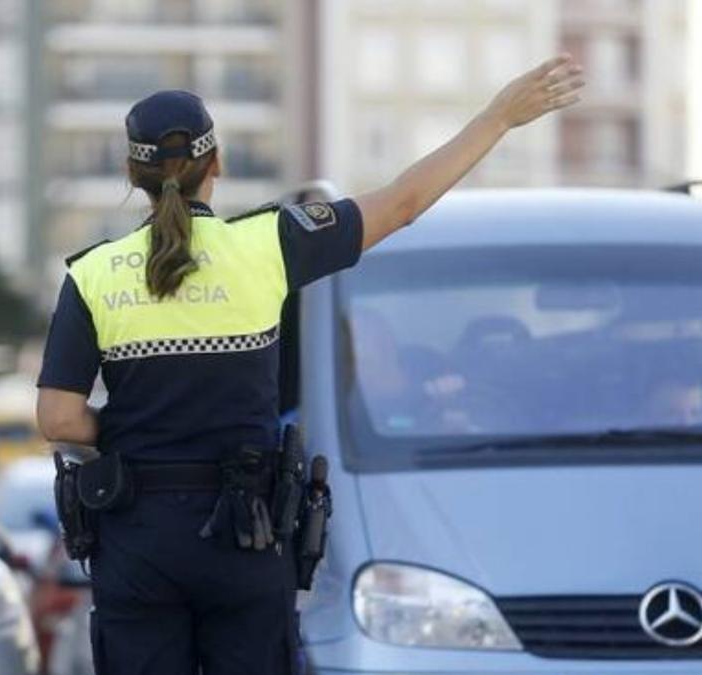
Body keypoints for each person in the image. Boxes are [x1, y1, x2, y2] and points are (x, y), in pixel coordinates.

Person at [36, 55, 584, 674]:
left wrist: (134, 426)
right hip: (244, 532)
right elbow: (403, 203)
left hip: (137, 535)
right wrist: (496, 118)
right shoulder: (270, 243)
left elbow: (57, 418)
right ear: (217, 164)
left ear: (130, 172)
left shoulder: (92, 275)